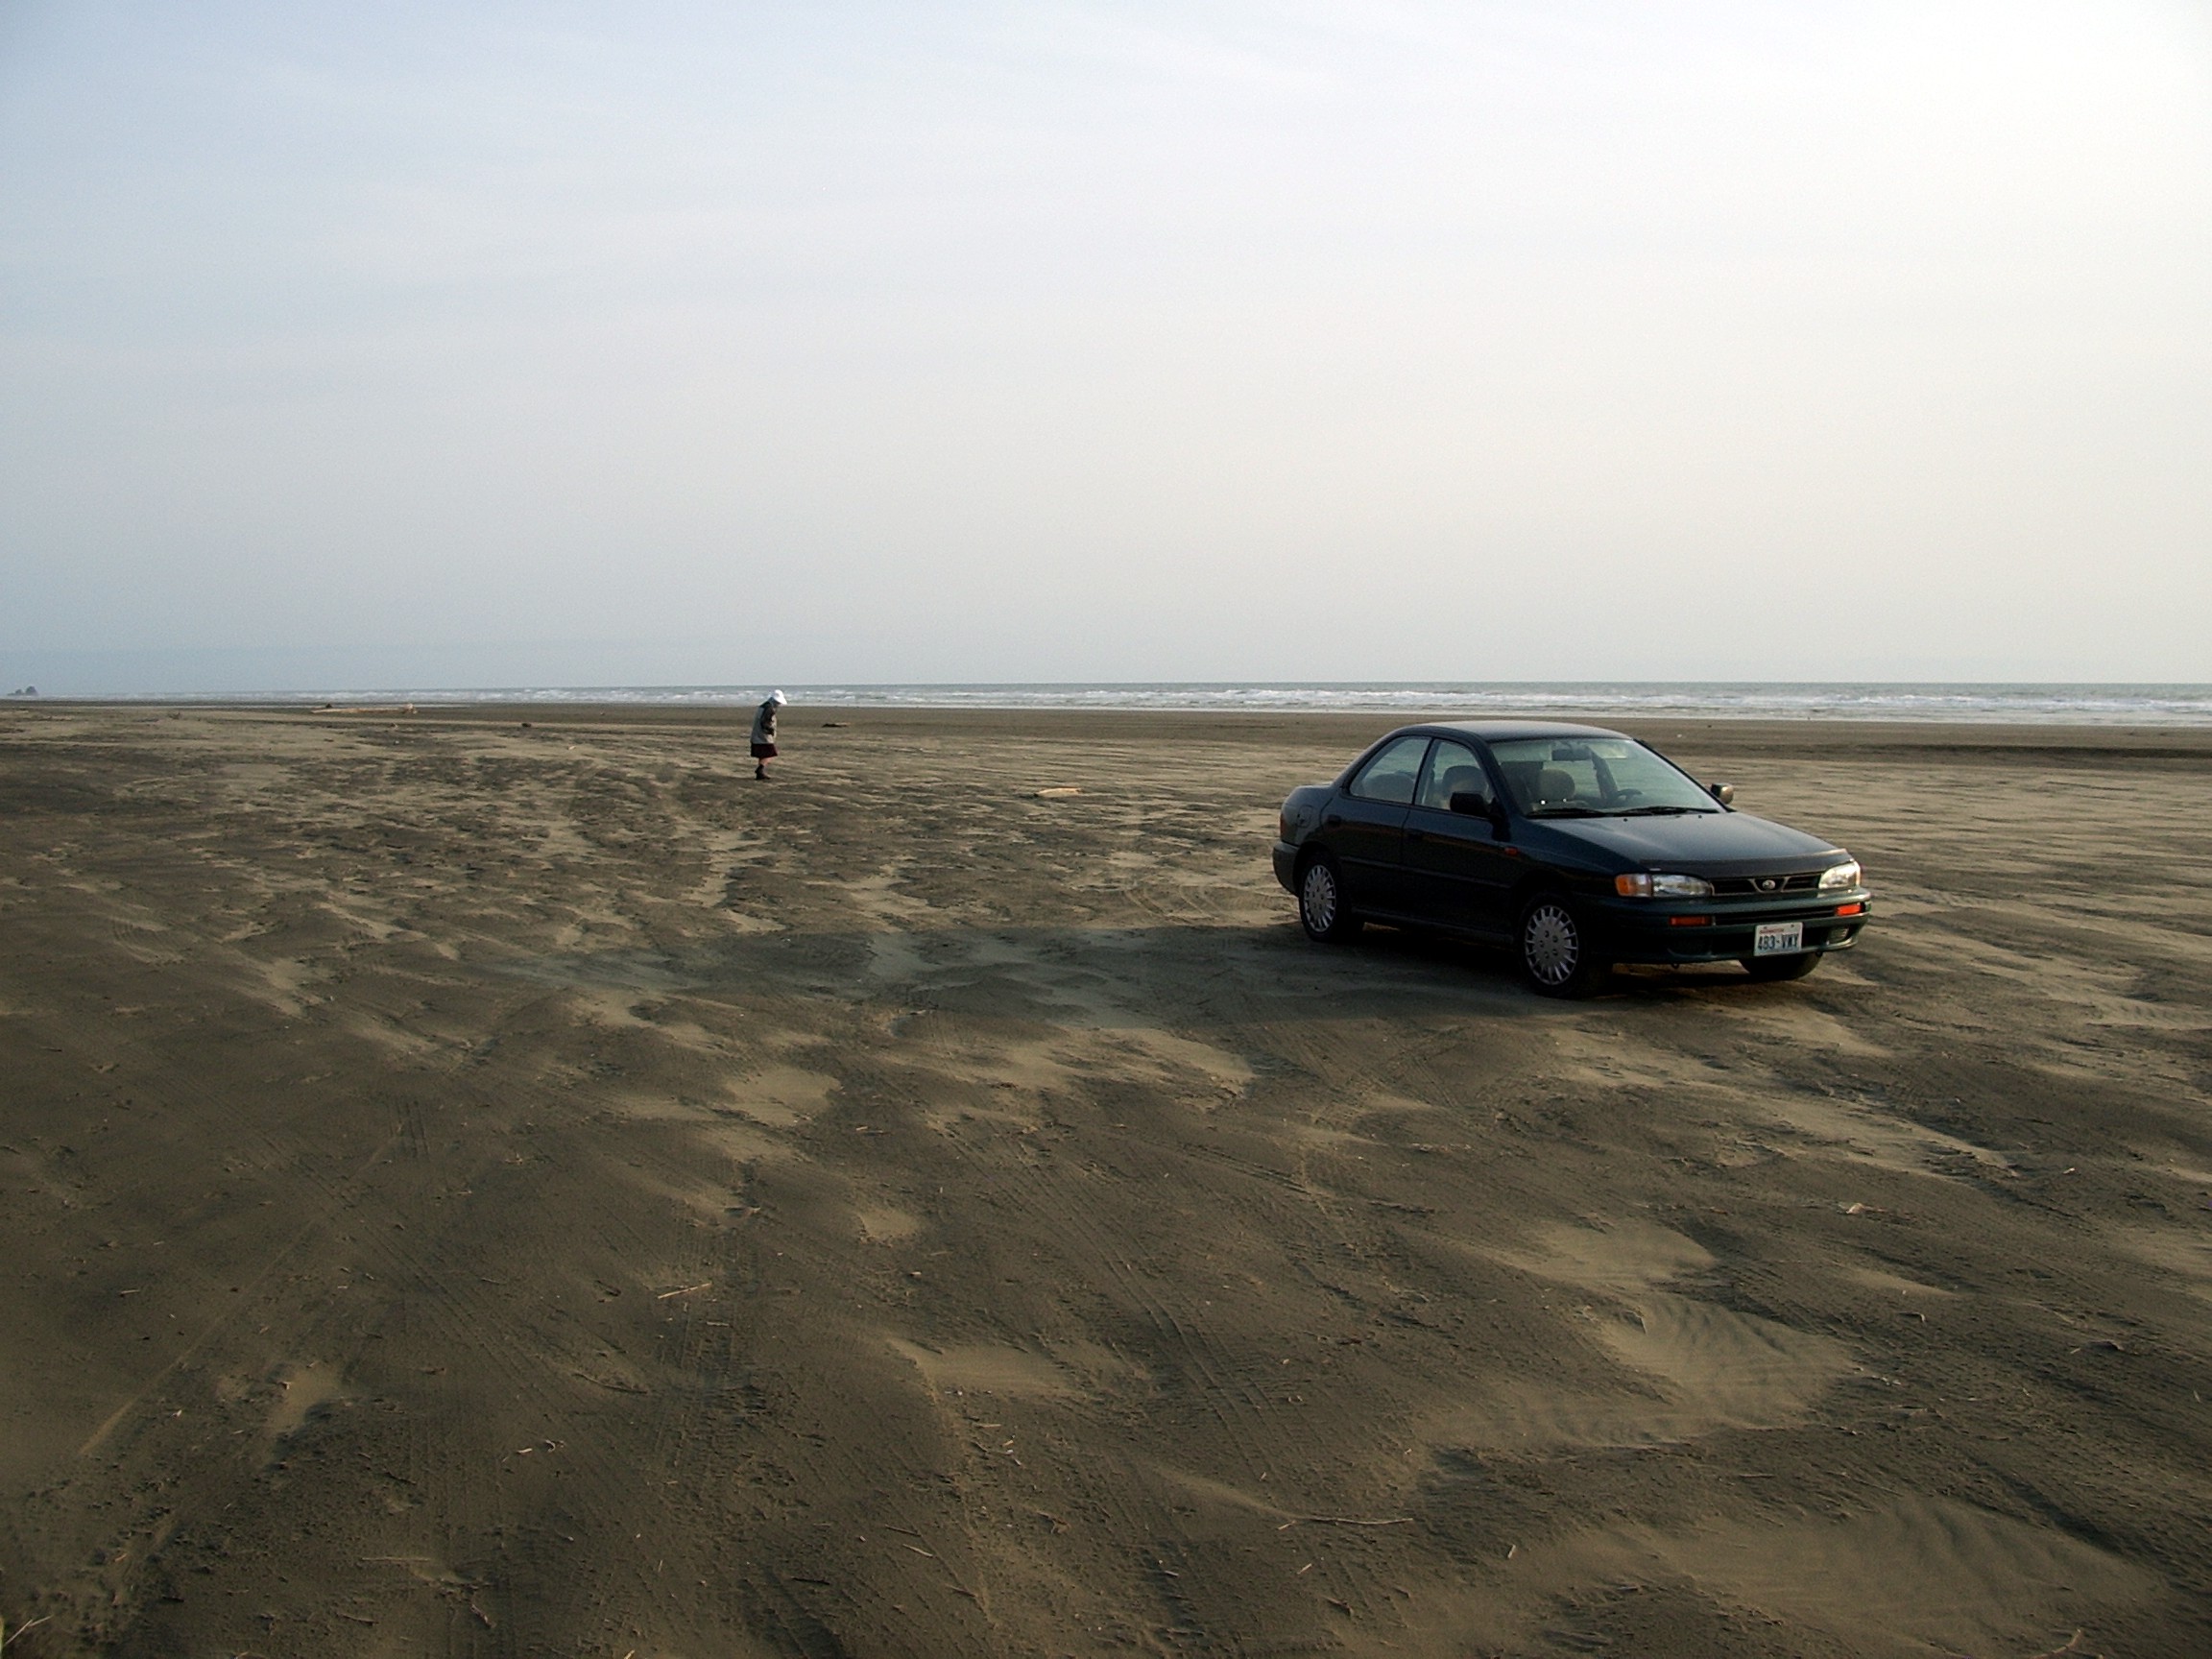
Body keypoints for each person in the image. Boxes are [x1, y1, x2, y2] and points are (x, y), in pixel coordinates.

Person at [749, 689, 787, 780]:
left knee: (762, 754)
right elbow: (765, 722)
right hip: (764, 736)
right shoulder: (769, 709)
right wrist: (770, 730)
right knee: (770, 753)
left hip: (757, 735)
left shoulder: (762, 706)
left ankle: (760, 773)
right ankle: (760, 769)